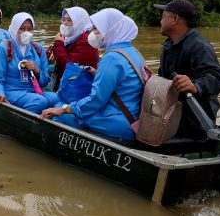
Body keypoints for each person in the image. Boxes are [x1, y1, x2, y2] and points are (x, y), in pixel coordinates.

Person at [41, 8, 145, 141]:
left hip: (118, 122)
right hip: (133, 118)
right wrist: (97, 74)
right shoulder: (133, 52)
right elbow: (124, 84)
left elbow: (96, 100)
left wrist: (63, 109)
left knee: (58, 107)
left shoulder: (112, 58)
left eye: (96, 29)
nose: (93, 33)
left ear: (110, 30)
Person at [154, 0, 220, 139]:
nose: (160, 21)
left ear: (174, 19)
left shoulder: (199, 46)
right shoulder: (170, 46)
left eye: (163, 16)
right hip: (173, 119)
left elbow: (216, 78)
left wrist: (195, 86)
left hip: (194, 123)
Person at [0, 13, 59, 113]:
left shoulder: (38, 49)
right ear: (14, 29)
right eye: (22, 28)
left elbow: (45, 81)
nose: (26, 32)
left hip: (33, 90)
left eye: (30, 29)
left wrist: (36, 70)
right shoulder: (3, 48)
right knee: (39, 101)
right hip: (11, 91)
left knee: (56, 98)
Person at [49, 6, 100, 90]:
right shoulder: (70, 37)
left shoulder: (86, 42)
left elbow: (68, 67)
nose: (65, 23)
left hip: (78, 89)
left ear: (79, 22)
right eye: (64, 19)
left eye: (69, 20)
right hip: (68, 84)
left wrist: (58, 44)